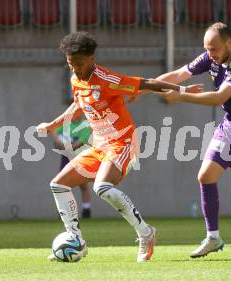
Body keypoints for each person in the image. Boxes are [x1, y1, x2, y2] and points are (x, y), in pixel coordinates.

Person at [36, 31, 201, 262]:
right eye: (70, 64)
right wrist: (52, 125)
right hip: (99, 146)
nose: (75, 68)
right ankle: (76, 240)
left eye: (80, 63)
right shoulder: (76, 80)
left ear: (92, 59)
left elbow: (147, 83)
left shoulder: (106, 79)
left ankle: (146, 233)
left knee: (101, 187)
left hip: (122, 142)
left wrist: (182, 90)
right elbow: (77, 106)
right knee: (58, 184)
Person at [157, 22, 231, 260]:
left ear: (229, 43)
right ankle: (213, 237)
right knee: (205, 176)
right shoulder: (210, 58)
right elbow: (179, 75)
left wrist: (181, 95)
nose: (210, 54)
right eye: (207, 49)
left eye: (214, 49)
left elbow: (219, 97)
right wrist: (143, 88)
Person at [51, 113, 92, 218]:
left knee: (83, 185)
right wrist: (57, 140)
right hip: (66, 158)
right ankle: (65, 212)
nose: (75, 115)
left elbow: (80, 143)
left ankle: (86, 211)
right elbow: (54, 131)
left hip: (80, 158)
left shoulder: (86, 125)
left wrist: (67, 146)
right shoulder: (66, 125)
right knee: (62, 185)